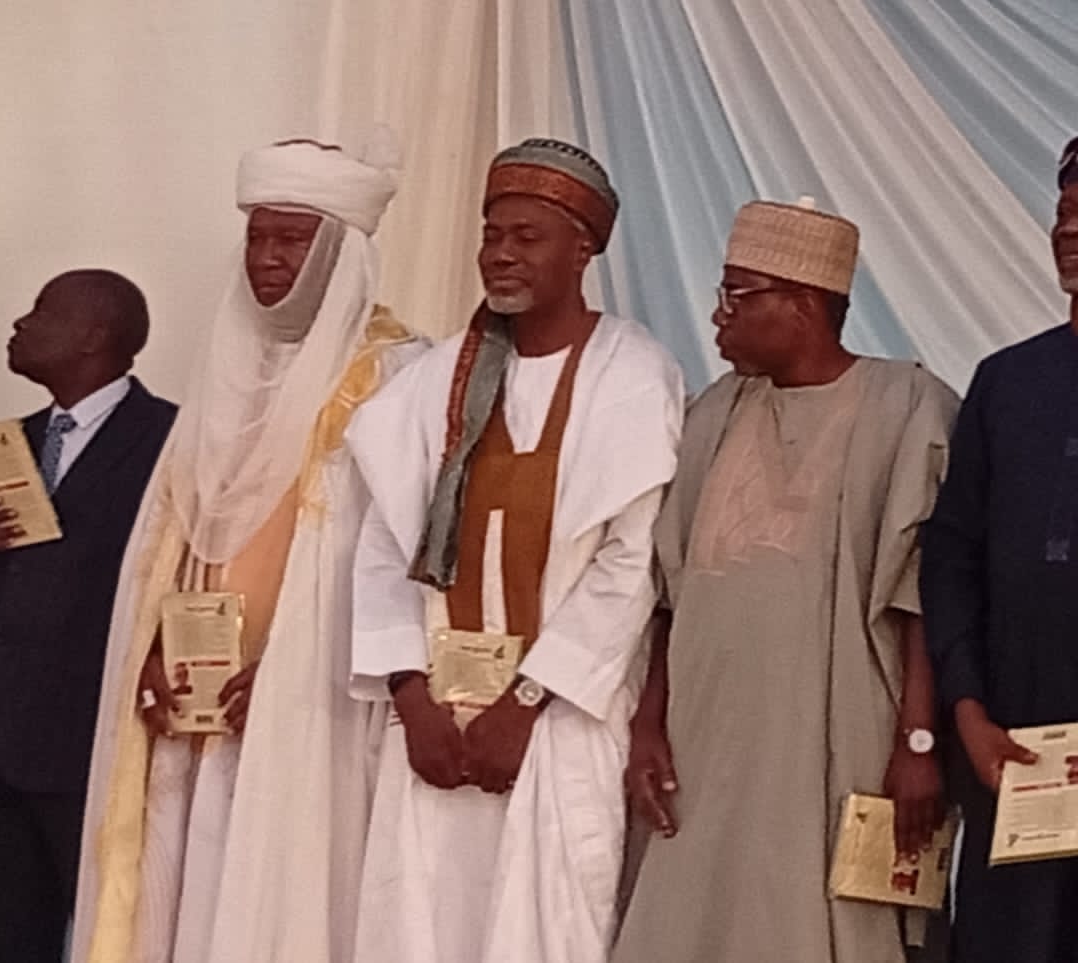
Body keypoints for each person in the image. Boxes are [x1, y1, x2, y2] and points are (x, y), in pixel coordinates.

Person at [71, 135, 422, 963]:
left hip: (310, 702)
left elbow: (400, 563)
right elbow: (174, 537)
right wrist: (153, 646)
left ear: (340, 250)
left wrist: (296, 663)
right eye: (258, 237)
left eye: (292, 239)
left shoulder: (399, 374)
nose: (268, 258)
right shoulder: (229, 368)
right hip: (193, 699)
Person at [346, 138, 684, 963]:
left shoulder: (632, 374)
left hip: (561, 724)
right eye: (491, 235)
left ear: (583, 248)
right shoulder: (431, 383)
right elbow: (384, 550)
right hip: (434, 730)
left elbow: (629, 565)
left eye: (527, 236)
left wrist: (525, 702)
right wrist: (414, 700)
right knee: (417, 928)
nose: (501, 253)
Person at [614, 199, 959, 963]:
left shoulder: (908, 407)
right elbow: (669, 597)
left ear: (802, 303)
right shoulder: (712, 414)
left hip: (844, 740)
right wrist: (648, 723)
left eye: (738, 295)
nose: (719, 315)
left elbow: (925, 596)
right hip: (703, 740)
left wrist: (919, 741)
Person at [0, 269, 175, 963]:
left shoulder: (171, 441)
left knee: (118, 945)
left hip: (96, 752)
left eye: (42, 311)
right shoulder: (9, 442)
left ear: (94, 336)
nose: (20, 324)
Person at [920, 135, 1078, 963]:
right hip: (1012, 751)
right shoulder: (1006, 382)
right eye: (1063, 212)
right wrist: (969, 710)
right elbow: (952, 558)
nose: (1068, 230)